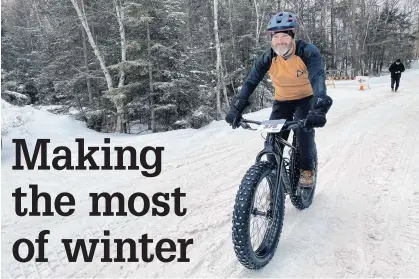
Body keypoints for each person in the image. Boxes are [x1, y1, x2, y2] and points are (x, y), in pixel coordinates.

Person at [225, 11, 333, 188]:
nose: (280, 40)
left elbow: (318, 79)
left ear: (292, 36)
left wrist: (319, 108)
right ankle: (275, 179)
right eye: (276, 36)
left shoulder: (307, 52)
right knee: (273, 139)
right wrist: (237, 107)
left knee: (304, 132)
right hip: (282, 100)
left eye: (284, 35)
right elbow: (251, 81)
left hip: (305, 99)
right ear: (271, 38)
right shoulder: (268, 57)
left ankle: (307, 170)